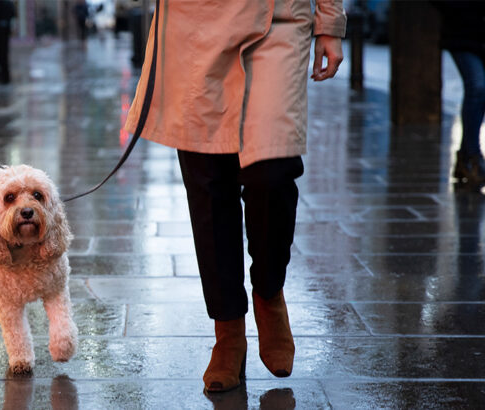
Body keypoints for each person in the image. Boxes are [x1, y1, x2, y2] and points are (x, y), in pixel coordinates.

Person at [123, 0, 345, 393]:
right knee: (208, 183)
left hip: (277, 19)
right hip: (192, 24)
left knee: (273, 171)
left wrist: (329, 21)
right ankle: (228, 329)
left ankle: (268, 290)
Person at [433, 1, 485, 185]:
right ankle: (472, 155)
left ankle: (465, 157)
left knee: (479, 92)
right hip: (462, 33)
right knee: (477, 86)